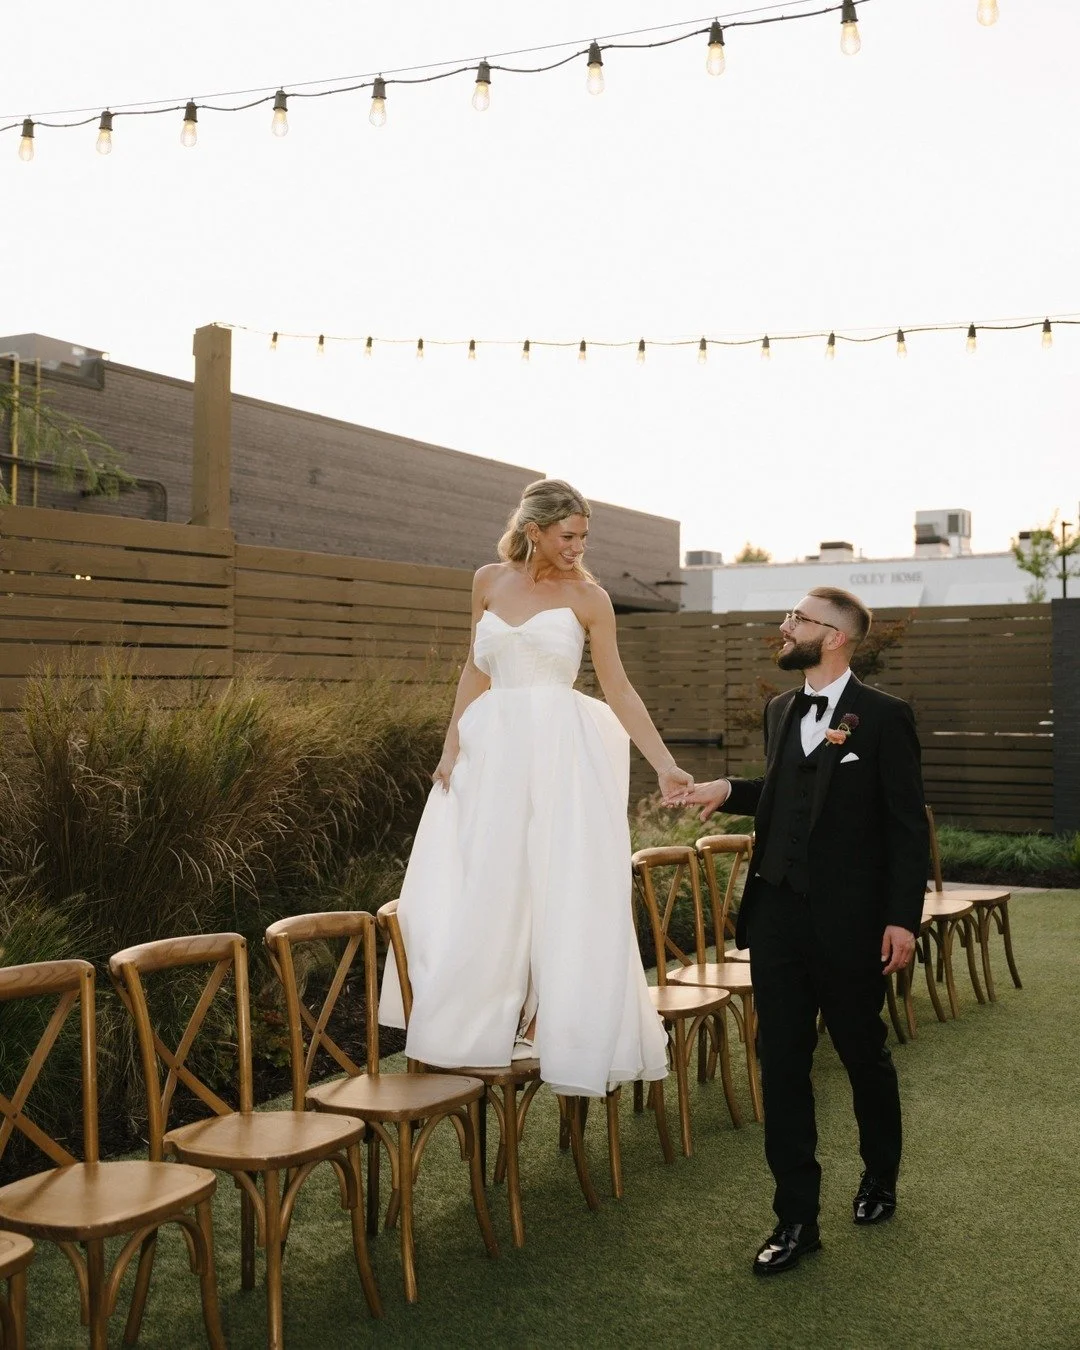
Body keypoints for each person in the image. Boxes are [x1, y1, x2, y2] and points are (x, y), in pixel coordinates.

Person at [380, 478, 691, 1098]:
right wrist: (450, 746)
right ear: (533, 531)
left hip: (557, 749)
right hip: (491, 748)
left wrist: (664, 763)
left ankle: (550, 1016)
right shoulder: (487, 581)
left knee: (557, 876)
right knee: (487, 875)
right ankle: (482, 1018)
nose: (578, 546)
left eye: (584, 536)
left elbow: (620, 688)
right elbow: (474, 666)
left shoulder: (590, 598)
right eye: (568, 534)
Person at [678, 587, 927, 1276]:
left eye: (796, 620)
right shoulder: (781, 708)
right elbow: (787, 792)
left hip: (851, 926)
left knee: (861, 1054)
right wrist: (727, 790)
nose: (783, 628)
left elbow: (907, 827)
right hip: (778, 920)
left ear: (836, 637)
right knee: (781, 1065)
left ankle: (879, 1177)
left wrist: (902, 918)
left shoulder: (884, 717)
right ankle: (796, 1219)